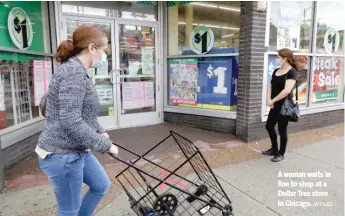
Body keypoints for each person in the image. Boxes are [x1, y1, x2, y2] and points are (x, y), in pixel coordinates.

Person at [35, 24, 119, 216]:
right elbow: (70, 120)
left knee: (101, 185)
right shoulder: (73, 73)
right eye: (104, 49)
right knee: (69, 210)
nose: (105, 54)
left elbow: (83, 112)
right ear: (91, 48)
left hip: (77, 149)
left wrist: (99, 130)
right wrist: (105, 145)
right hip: (62, 154)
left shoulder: (78, 71)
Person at [262, 48, 297, 162]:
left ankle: (281, 153)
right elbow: (270, 85)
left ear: (285, 58)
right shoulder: (277, 70)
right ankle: (274, 149)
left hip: (284, 105)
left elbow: (286, 91)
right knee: (269, 126)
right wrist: (269, 100)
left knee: (282, 129)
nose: (277, 59)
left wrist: (273, 101)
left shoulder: (292, 72)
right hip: (274, 104)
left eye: (279, 57)